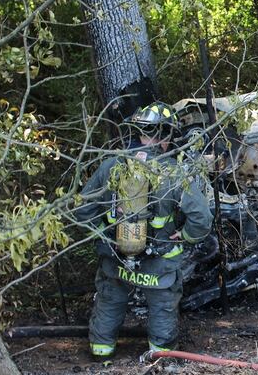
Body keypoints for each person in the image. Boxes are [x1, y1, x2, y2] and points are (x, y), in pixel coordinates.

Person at [74, 102, 213, 361]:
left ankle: (101, 354)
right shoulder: (174, 172)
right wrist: (185, 236)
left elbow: (82, 210)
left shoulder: (112, 166)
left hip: (115, 262)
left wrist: (104, 239)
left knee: (109, 302)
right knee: (162, 307)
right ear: (167, 135)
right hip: (159, 264)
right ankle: (159, 358)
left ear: (138, 130)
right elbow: (202, 218)